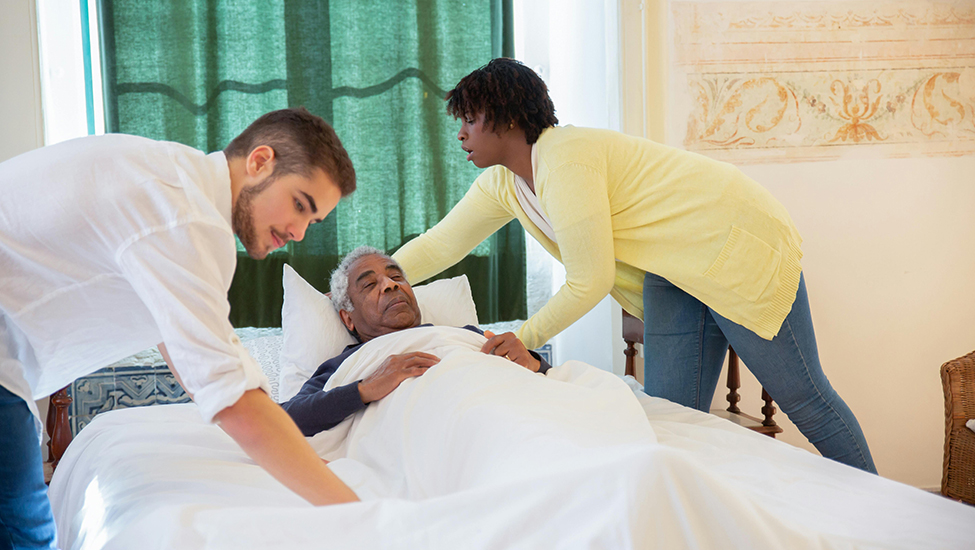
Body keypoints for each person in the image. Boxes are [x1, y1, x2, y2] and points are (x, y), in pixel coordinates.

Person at [391, 58, 876, 473]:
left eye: (471, 119)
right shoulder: (504, 185)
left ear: (509, 119)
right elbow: (440, 245)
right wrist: (369, 282)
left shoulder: (566, 159)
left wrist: (525, 337)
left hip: (732, 244)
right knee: (672, 419)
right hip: (671, 272)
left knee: (805, 399)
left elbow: (590, 280)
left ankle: (890, 517)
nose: (461, 133)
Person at [0, 108, 360, 549]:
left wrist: (287, 445)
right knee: (26, 535)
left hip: (9, 360)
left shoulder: (175, 185)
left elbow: (194, 356)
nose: (300, 232)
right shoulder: (184, 216)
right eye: (300, 205)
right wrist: (361, 516)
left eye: (312, 221)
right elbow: (231, 397)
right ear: (260, 161)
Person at [282, 246, 550, 436]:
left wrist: (533, 362)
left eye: (396, 277)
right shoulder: (345, 364)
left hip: (512, 417)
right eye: (369, 285)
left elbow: (549, 379)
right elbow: (286, 418)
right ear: (348, 318)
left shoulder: (465, 335)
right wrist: (366, 389)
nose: (390, 285)